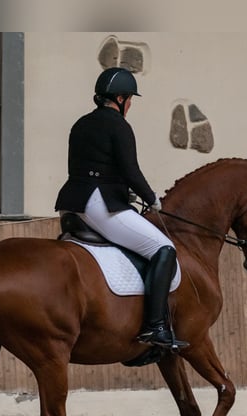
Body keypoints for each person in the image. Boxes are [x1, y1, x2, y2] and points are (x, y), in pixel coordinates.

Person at [55, 67, 188, 350]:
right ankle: (156, 326)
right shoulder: (119, 125)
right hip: (100, 204)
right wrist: (150, 197)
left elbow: (93, 166)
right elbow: (130, 170)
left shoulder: (80, 124)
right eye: (129, 99)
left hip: (71, 205)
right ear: (119, 98)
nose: (130, 105)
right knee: (164, 249)